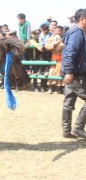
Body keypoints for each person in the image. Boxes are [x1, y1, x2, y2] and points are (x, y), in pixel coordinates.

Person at [61, 9, 86, 139]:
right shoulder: (77, 33)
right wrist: (70, 72)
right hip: (74, 73)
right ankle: (78, 128)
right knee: (69, 100)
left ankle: (66, 130)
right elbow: (70, 53)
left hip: (71, 73)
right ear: (83, 19)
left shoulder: (74, 32)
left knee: (69, 100)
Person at [45, 26, 64, 94]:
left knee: (58, 74)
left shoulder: (65, 38)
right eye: (57, 30)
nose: (58, 32)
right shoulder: (51, 37)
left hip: (61, 59)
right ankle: (50, 89)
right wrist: (57, 42)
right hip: (53, 59)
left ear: (62, 31)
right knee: (51, 73)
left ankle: (57, 90)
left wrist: (54, 45)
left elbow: (59, 47)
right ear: (54, 31)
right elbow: (47, 46)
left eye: (60, 31)